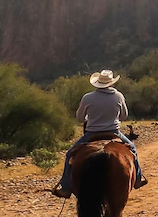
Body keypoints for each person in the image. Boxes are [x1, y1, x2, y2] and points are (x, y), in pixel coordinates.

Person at [52, 69, 147, 198]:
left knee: (70, 155)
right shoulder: (118, 96)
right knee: (133, 150)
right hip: (114, 132)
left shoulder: (88, 97)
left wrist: (90, 118)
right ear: (112, 83)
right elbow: (124, 116)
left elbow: (80, 118)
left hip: (92, 133)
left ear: (97, 83)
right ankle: (138, 179)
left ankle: (66, 187)